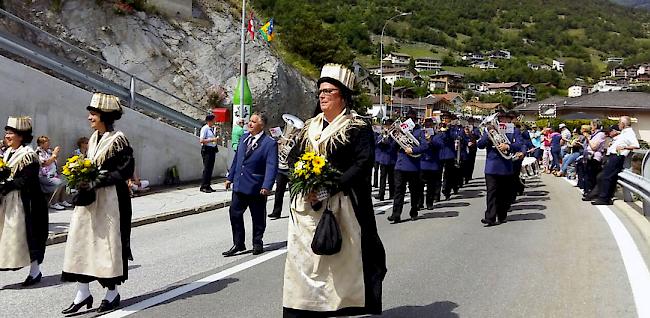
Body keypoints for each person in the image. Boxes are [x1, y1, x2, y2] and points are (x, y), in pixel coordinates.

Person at [283, 63, 386, 317]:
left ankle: (340, 308)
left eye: (329, 90)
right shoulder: (309, 126)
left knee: (340, 264)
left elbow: (363, 164)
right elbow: (294, 158)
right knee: (303, 263)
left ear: (343, 95)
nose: (322, 95)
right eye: (320, 91)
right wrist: (304, 179)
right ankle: (302, 309)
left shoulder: (357, 126)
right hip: (307, 209)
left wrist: (330, 187)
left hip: (343, 205)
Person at [61, 93, 135, 314]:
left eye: (93, 114)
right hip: (90, 199)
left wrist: (96, 178)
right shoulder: (93, 138)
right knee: (81, 241)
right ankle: (82, 292)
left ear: (104, 115)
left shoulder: (118, 139)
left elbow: (125, 171)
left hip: (111, 199)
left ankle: (112, 293)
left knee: (107, 244)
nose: (89, 117)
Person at [0, 116, 49, 286]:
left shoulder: (29, 155)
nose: (7, 136)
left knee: (29, 236)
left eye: (11, 133)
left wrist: (5, 185)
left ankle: (35, 271)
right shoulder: (7, 153)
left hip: (26, 203)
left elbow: (26, 181)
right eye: (6, 132)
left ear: (21, 136)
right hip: (8, 200)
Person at [223, 112, 278, 256]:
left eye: (254, 122)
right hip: (240, 184)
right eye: (250, 121)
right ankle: (238, 243)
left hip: (256, 186)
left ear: (262, 125)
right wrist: (230, 177)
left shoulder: (269, 143)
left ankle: (257, 242)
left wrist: (267, 186)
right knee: (234, 213)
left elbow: (271, 165)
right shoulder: (244, 138)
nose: (250, 124)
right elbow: (237, 160)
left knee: (258, 216)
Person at [477, 110, 522, 226]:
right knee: (491, 192)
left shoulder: (514, 130)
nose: (501, 120)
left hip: (506, 166)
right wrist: (488, 135)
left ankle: (502, 215)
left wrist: (508, 145)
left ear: (508, 119)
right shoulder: (489, 131)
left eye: (504, 118)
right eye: (499, 118)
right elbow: (480, 145)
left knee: (504, 194)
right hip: (491, 166)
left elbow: (519, 145)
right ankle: (490, 217)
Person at [388, 109, 426, 223]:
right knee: (399, 191)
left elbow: (424, 147)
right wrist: (395, 136)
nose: (410, 120)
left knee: (414, 191)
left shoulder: (420, 131)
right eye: (408, 118)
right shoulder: (401, 130)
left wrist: (412, 149)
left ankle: (414, 211)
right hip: (400, 166)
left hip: (414, 166)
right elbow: (392, 148)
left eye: (413, 119)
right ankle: (396, 214)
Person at [591, 117, 639, 205]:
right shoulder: (624, 133)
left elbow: (636, 145)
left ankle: (604, 199)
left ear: (623, 124)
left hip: (618, 156)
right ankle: (605, 197)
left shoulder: (629, 133)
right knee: (605, 176)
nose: (618, 124)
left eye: (619, 123)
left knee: (606, 177)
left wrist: (624, 147)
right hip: (613, 156)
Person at [35, 135, 72, 210]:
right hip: (43, 176)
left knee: (66, 179)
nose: (48, 143)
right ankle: (53, 202)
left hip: (52, 174)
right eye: (46, 142)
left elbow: (53, 164)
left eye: (48, 141)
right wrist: (54, 154)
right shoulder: (38, 152)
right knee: (59, 182)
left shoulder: (48, 151)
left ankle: (62, 200)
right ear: (41, 144)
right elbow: (45, 163)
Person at [419, 118, 443, 209]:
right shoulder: (420, 134)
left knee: (431, 186)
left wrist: (430, 141)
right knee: (420, 185)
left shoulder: (437, 135)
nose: (428, 126)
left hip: (433, 163)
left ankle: (429, 203)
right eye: (427, 125)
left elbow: (440, 145)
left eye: (430, 125)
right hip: (422, 162)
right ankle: (419, 203)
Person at [375, 118, 397, 201]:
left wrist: (389, 139)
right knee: (382, 178)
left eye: (389, 126)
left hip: (392, 159)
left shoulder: (395, 135)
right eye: (386, 126)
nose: (387, 127)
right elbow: (377, 143)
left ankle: (392, 194)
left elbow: (394, 146)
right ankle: (381, 194)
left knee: (391, 178)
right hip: (384, 159)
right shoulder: (382, 134)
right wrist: (384, 138)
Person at [199, 114, 220, 193]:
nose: (215, 122)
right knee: (207, 168)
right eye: (213, 120)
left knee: (210, 168)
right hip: (207, 149)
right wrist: (212, 139)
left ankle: (208, 185)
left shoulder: (211, 129)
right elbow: (201, 140)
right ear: (209, 121)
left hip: (212, 149)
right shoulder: (205, 129)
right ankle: (204, 186)